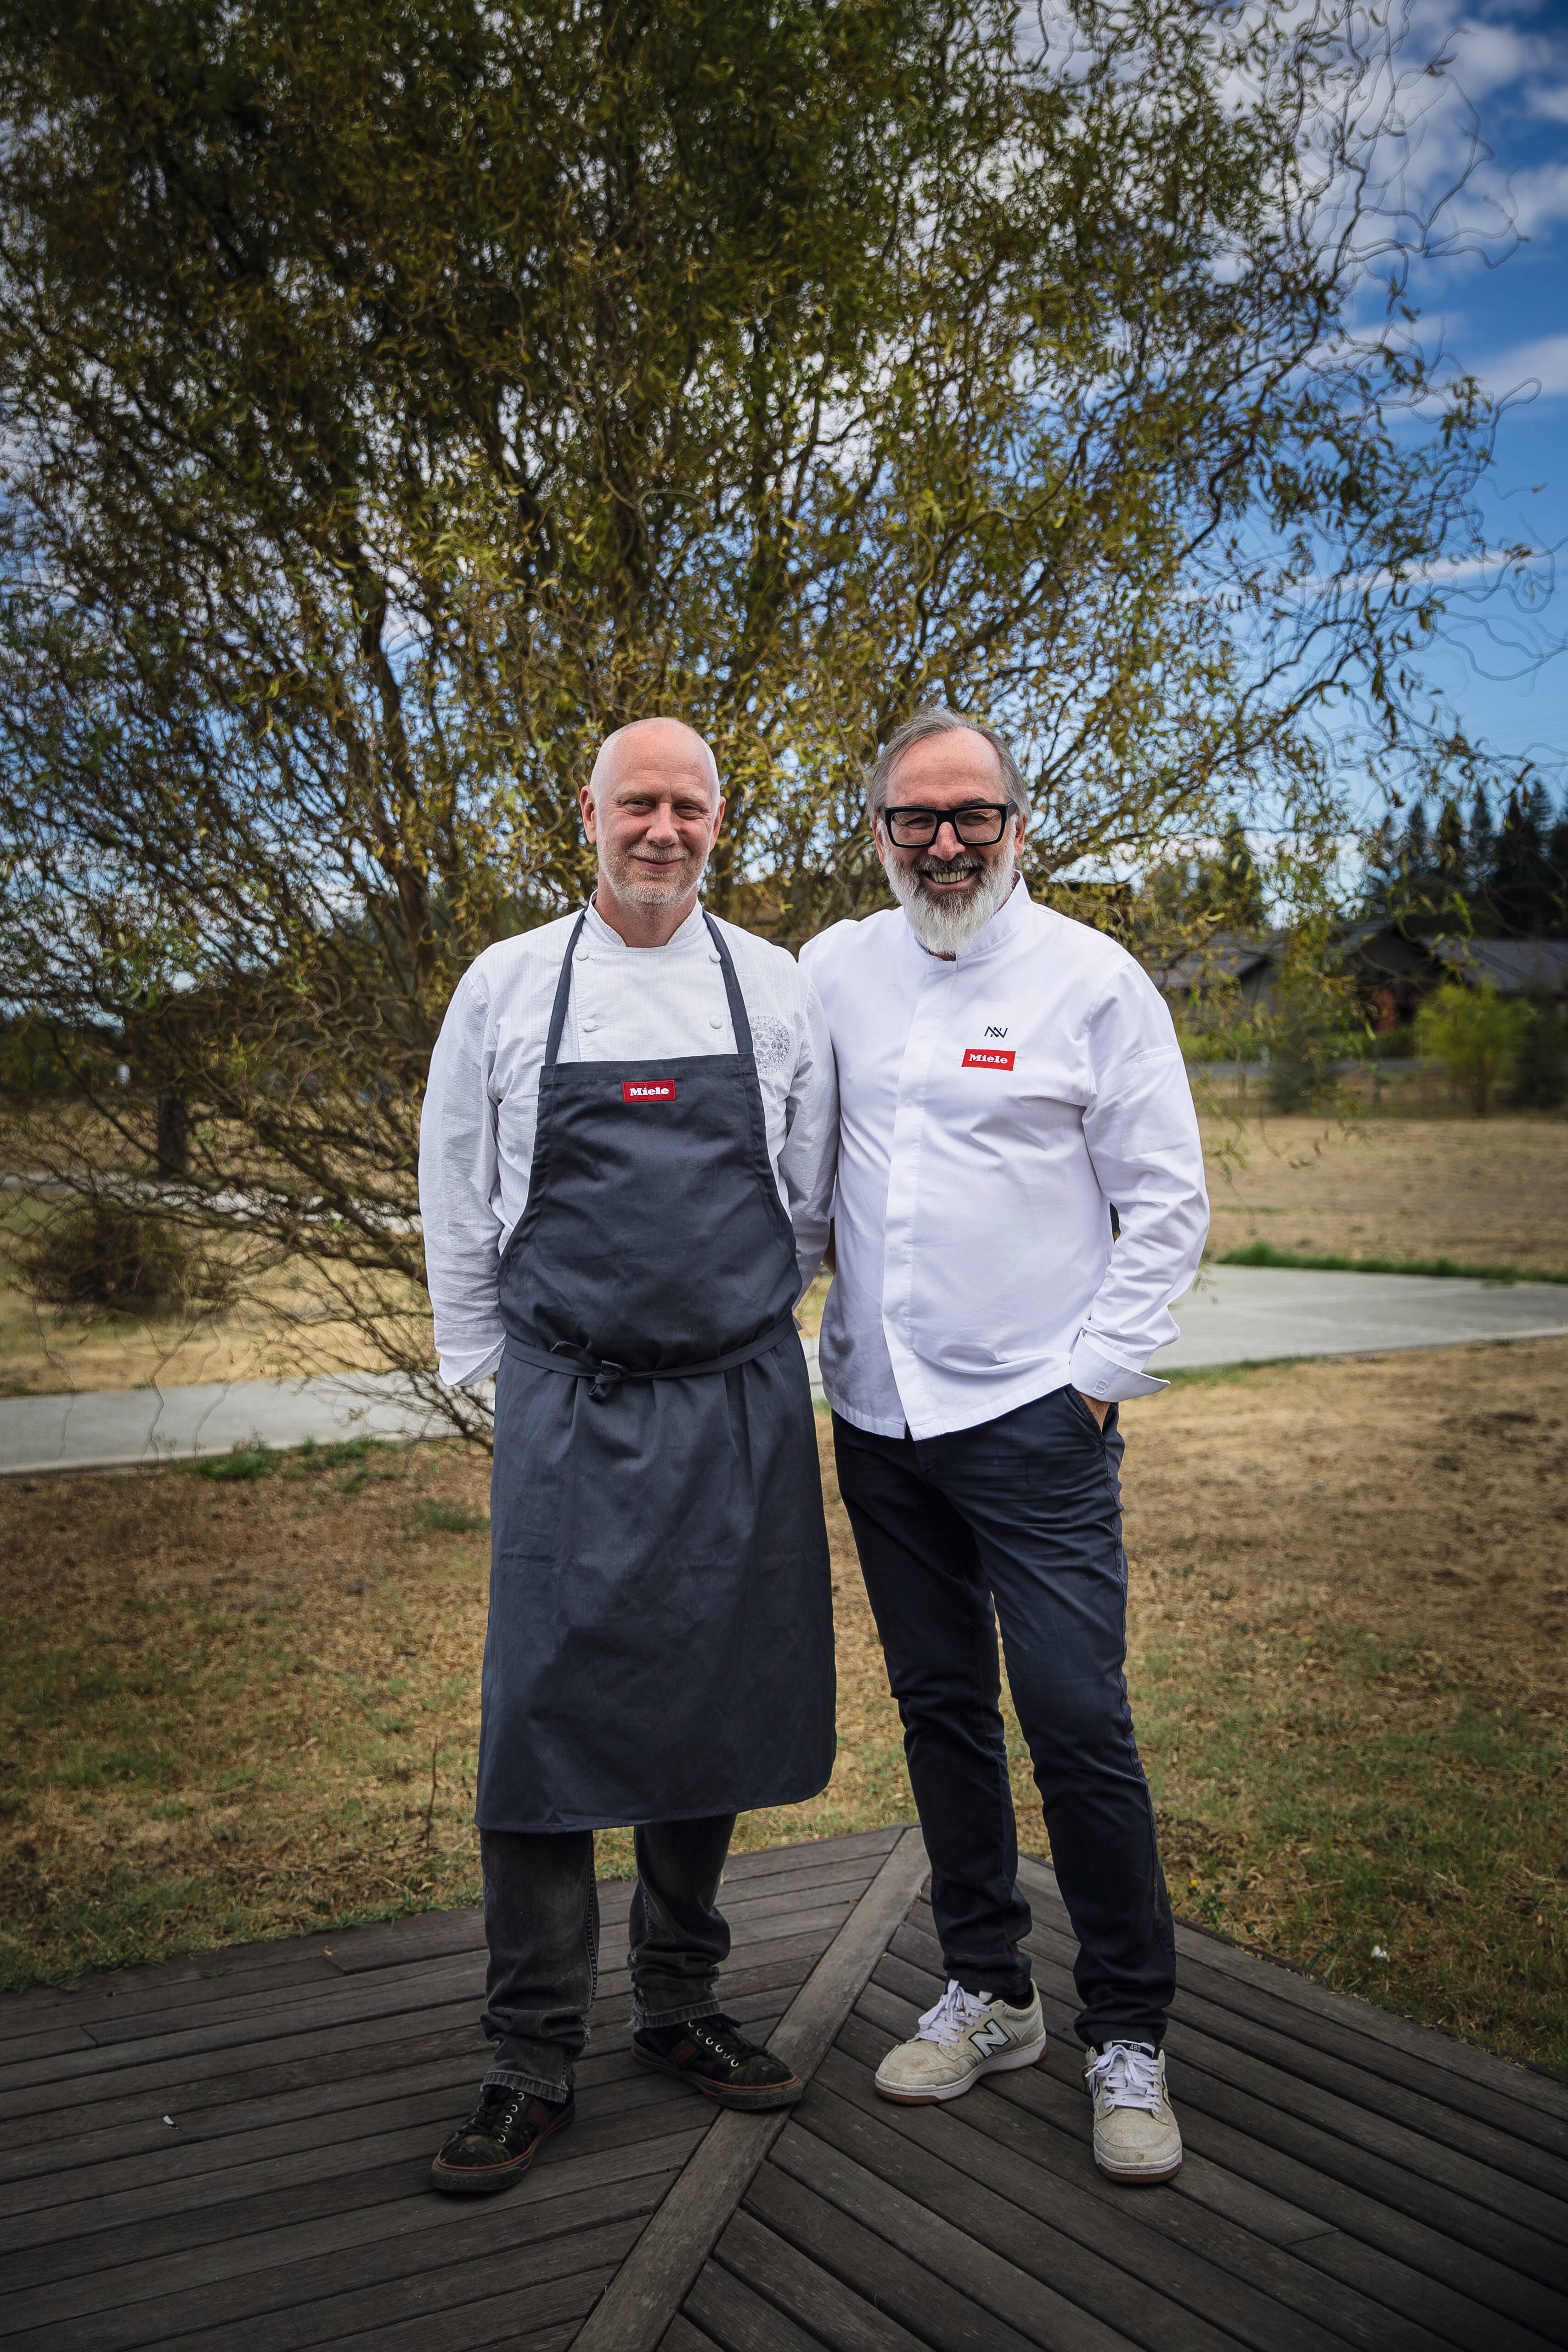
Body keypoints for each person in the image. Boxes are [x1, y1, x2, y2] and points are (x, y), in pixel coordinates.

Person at [418, 717, 837, 2196]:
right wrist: (501, 1382)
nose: (661, 829)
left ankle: (678, 2007)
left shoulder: (774, 986)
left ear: (722, 821)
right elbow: (456, 1196)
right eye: (635, 803)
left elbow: (804, 1198)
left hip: (734, 1404)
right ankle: (529, 2052)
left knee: (708, 1698)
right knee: (534, 1721)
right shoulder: (511, 985)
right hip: (568, 1405)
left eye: (689, 806)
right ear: (583, 813)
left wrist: (726, 1340)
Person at [800, 709, 1208, 2184]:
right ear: (880, 832)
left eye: (973, 814)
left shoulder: (1093, 981)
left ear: (1018, 823)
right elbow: (805, 1174)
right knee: (939, 1708)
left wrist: (1090, 1384)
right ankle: (991, 1992)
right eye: (917, 818)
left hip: (1034, 1424)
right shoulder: (832, 971)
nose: (946, 841)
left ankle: (1132, 2036)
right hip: (880, 1417)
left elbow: (1167, 1203)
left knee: (1077, 1720)